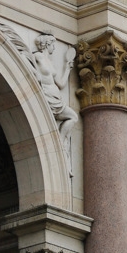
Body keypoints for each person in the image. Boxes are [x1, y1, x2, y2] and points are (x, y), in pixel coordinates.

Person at [30, 32, 79, 166]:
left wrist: (68, 68)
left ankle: (60, 141)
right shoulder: (37, 56)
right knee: (72, 116)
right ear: (47, 44)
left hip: (56, 97)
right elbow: (27, 64)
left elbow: (62, 84)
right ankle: (59, 143)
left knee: (73, 117)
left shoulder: (50, 62)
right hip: (46, 95)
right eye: (53, 44)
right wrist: (37, 78)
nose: (54, 48)